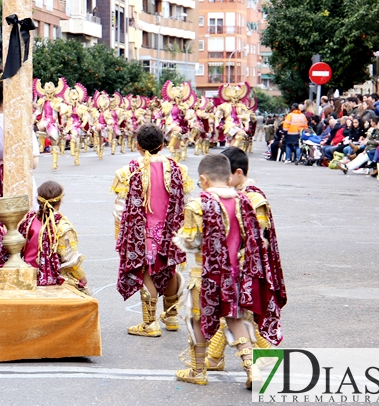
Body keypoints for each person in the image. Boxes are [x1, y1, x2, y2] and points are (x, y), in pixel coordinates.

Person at [174, 154, 282, 389]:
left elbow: (191, 242)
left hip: (205, 274)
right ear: (229, 176)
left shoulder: (197, 205)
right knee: (236, 320)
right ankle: (251, 369)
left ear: (203, 180)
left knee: (197, 321)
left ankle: (198, 370)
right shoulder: (245, 202)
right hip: (237, 273)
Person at [204, 147, 287, 372]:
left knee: (236, 313)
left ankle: (263, 357)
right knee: (232, 313)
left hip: (246, 266)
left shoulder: (254, 197)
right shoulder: (236, 194)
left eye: (226, 176)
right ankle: (215, 357)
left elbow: (259, 241)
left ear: (238, 173)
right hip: (234, 264)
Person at [111, 123, 193, 338]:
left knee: (146, 271)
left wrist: (122, 234)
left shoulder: (129, 171)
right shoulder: (178, 169)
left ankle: (150, 323)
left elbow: (120, 209)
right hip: (170, 231)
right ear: (162, 145)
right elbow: (187, 202)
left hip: (144, 232)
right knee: (170, 268)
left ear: (137, 145)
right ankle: (171, 316)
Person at [18, 181, 87, 291]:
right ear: (59, 201)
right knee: (85, 293)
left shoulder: (29, 220)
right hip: (52, 277)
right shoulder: (61, 226)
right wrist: (82, 277)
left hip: (26, 273)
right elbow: (69, 259)